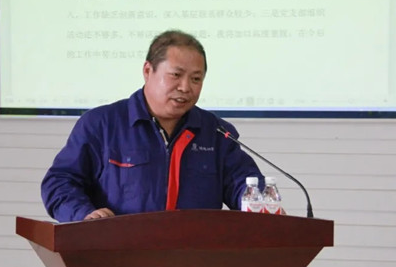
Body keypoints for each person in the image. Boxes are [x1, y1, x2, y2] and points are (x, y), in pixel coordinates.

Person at [41, 29, 264, 222]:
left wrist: (260, 203)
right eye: (176, 75)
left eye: (196, 79)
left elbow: (245, 185)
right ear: (148, 71)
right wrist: (84, 214)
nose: (185, 87)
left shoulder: (216, 132)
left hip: (194, 253)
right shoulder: (102, 124)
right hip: (117, 251)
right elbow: (60, 182)